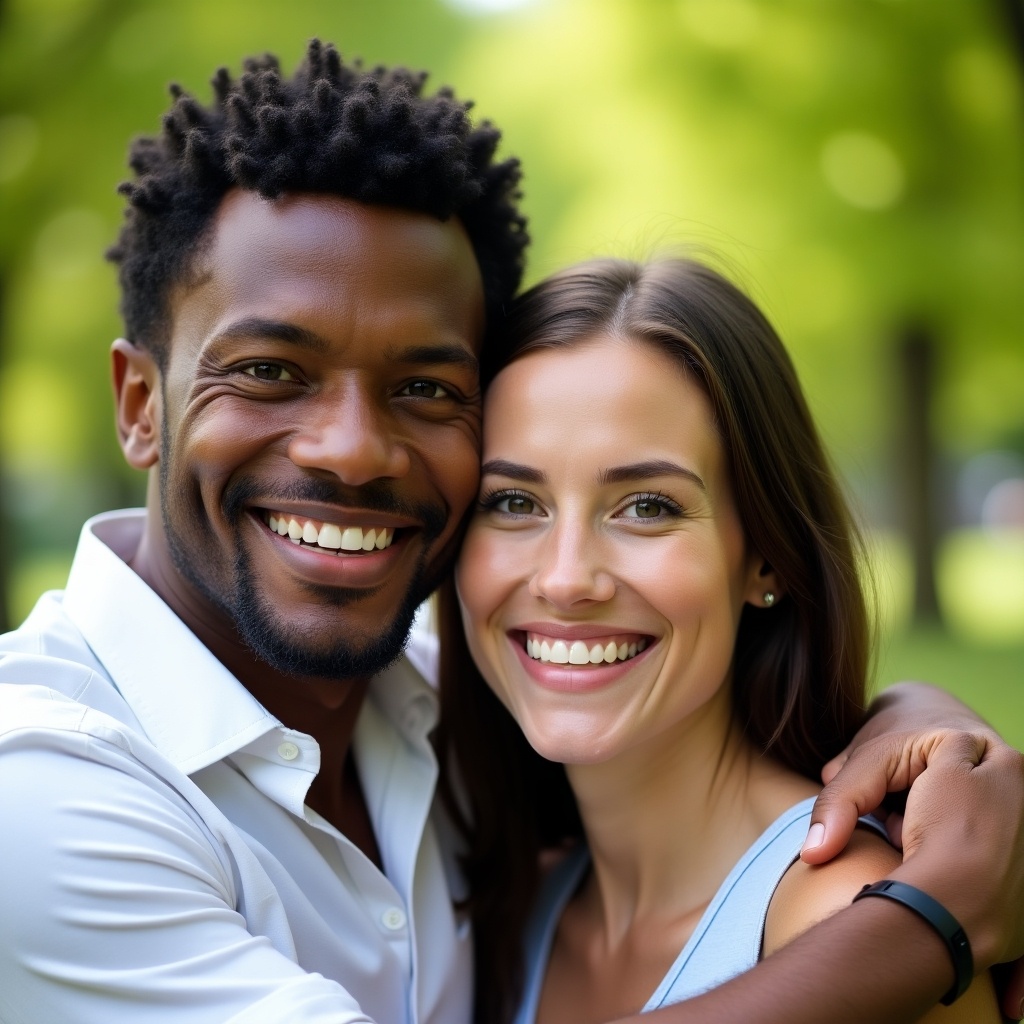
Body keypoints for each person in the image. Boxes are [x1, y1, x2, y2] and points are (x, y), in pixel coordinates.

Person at [0, 40, 1021, 1024]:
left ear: (765, 554)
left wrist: (918, 730)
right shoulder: (37, 793)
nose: (353, 450)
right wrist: (927, 920)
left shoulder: (436, 724)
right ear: (139, 402)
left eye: (424, 387)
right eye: (270, 369)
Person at [444, 257, 1019, 1024]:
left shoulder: (852, 922)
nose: (565, 578)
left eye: (647, 506)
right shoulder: (509, 913)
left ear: (764, 557)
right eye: (514, 501)